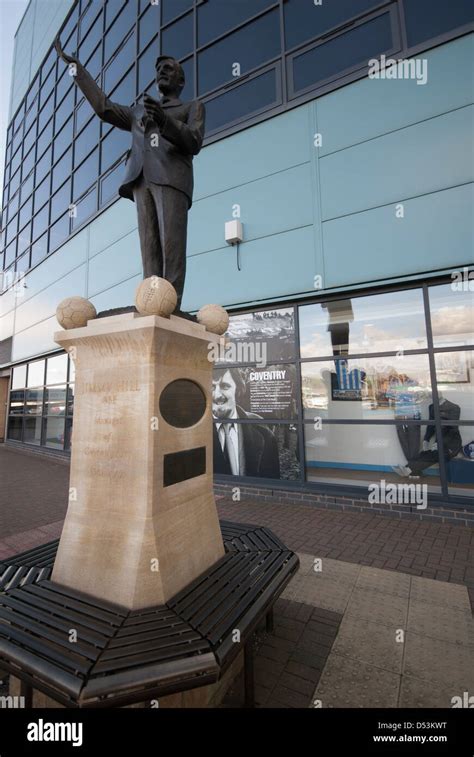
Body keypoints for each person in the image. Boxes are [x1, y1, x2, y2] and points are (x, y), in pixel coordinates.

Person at [54, 39, 205, 312]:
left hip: (172, 180)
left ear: (180, 81)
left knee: (171, 246)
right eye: (159, 69)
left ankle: (170, 306)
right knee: (149, 249)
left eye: (168, 69)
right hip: (140, 180)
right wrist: (77, 69)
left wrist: (163, 120)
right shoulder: (138, 111)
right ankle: (151, 303)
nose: (161, 72)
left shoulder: (192, 107)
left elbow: (194, 141)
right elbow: (104, 108)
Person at [212, 368, 280, 478]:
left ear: (238, 389)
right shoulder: (194, 434)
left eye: (224, 386)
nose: (217, 395)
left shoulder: (261, 429)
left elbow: (273, 480)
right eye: (212, 387)